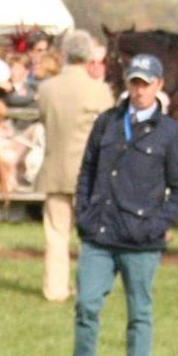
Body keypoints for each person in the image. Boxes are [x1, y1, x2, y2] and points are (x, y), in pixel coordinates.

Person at [54, 54, 178, 356]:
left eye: (146, 83)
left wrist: (155, 225)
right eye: (135, 82)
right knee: (86, 305)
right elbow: (87, 170)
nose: (140, 90)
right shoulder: (108, 122)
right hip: (99, 234)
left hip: (142, 241)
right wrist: (83, 213)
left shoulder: (173, 134)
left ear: (159, 86)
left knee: (139, 314)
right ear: (127, 84)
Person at [33, 32, 115, 302]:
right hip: (90, 173)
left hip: (56, 168)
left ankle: (55, 290)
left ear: (65, 53)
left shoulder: (47, 89)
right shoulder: (100, 90)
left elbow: (44, 119)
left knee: (56, 235)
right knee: (89, 236)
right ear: (89, 55)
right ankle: (87, 287)